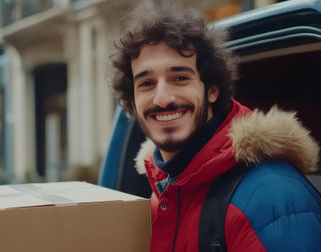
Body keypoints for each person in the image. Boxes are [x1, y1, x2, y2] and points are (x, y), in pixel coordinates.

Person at [110, 1, 321, 251]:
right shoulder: (162, 197)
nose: (163, 98)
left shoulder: (272, 199)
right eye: (146, 83)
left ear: (211, 90)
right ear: (132, 102)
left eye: (180, 78)